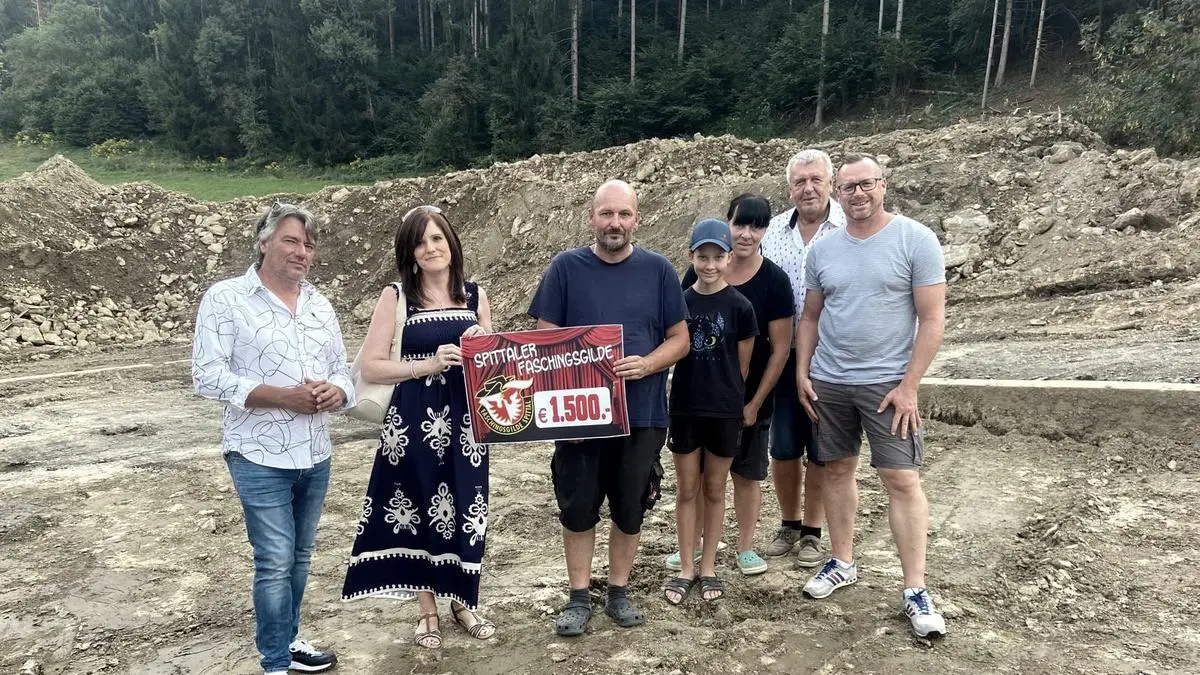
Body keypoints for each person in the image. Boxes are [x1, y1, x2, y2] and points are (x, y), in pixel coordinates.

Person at [192, 201, 350, 675]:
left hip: (315, 452)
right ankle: (275, 663)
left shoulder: (320, 304)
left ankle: (290, 639)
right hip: (257, 454)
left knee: (300, 558)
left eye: (308, 244)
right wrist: (282, 397)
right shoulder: (226, 298)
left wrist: (336, 390)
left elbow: (344, 369)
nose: (301, 251)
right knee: (275, 560)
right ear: (263, 243)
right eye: (290, 240)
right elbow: (207, 375)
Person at [528, 179, 689, 636]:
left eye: (624, 214)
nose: (615, 223)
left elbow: (681, 340)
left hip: (642, 415)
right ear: (592, 217)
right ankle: (579, 596)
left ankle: (618, 590)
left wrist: (648, 363)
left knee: (629, 508)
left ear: (637, 219)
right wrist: (563, 407)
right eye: (606, 214)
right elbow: (544, 341)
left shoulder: (658, 270)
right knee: (578, 508)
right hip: (581, 416)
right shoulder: (565, 268)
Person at [797, 153, 948, 639]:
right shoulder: (823, 251)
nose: (857, 194)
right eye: (848, 188)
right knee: (836, 469)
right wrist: (803, 372)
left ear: (883, 185)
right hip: (831, 382)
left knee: (901, 479)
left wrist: (910, 386)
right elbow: (811, 317)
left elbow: (932, 318)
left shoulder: (915, 239)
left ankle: (915, 589)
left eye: (866, 184)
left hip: (889, 386)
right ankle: (842, 561)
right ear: (837, 195)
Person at [341, 205, 497, 649]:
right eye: (421, 242)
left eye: (437, 239)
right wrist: (426, 364)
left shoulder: (475, 295)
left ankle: (463, 600)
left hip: (468, 425)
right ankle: (426, 610)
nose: (431, 248)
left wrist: (481, 349)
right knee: (420, 509)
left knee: (468, 511)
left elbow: (494, 364)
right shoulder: (397, 296)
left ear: (451, 244)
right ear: (409, 252)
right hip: (413, 422)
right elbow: (371, 364)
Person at [673, 195, 794, 576]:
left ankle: (743, 547)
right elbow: (676, 336)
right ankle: (690, 549)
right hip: (694, 401)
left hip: (744, 399)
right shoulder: (692, 279)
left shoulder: (772, 281)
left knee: (745, 474)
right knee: (694, 483)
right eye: (740, 224)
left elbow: (776, 349)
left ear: (765, 231)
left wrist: (754, 401)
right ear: (727, 224)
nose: (746, 233)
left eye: (756, 226)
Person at [663, 218, 757, 606]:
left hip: (723, 411)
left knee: (715, 488)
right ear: (691, 257)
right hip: (685, 408)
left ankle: (709, 567)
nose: (710, 264)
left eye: (718, 257)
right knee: (687, 489)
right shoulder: (679, 302)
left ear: (728, 258)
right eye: (702, 256)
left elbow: (743, 366)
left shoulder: (741, 306)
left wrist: (733, 403)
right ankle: (686, 566)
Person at [760, 149, 846, 567]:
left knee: (823, 448)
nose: (808, 188)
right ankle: (788, 522)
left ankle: (813, 532)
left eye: (815, 179)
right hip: (782, 355)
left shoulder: (851, 227)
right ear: (789, 187)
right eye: (799, 182)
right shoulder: (773, 231)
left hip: (832, 359)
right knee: (784, 445)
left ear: (830, 182)